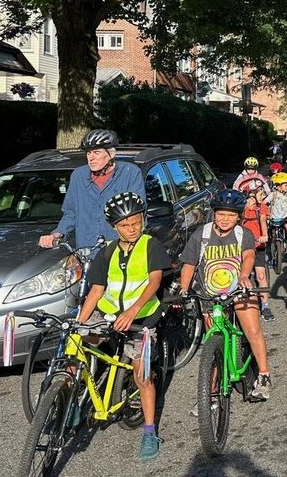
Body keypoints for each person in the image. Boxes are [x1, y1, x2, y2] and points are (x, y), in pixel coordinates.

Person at [75, 192, 171, 461]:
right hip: (108, 313)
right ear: (114, 227)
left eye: (136, 222)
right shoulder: (107, 252)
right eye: (125, 225)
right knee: (75, 346)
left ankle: (150, 431)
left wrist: (133, 311)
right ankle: (71, 397)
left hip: (140, 317)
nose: (132, 229)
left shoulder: (151, 245)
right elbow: (96, 291)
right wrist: (80, 323)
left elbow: (154, 282)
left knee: (142, 375)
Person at [179, 189, 272, 407]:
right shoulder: (200, 235)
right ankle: (209, 394)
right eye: (221, 214)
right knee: (213, 342)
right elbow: (189, 264)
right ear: (214, 213)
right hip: (209, 293)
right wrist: (184, 290)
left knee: (252, 329)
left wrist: (243, 275)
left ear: (238, 216)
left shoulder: (243, 234)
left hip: (238, 289)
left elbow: (248, 255)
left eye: (230, 215)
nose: (225, 219)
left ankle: (264, 374)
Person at [39, 129, 145, 249]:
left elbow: (137, 212)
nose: (91, 158)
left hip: (121, 249)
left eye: (96, 152)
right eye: (88, 153)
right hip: (87, 251)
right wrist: (56, 234)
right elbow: (71, 213)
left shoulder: (130, 172)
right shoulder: (78, 176)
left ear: (111, 154)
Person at [238, 182, 273, 321]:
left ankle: (265, 305)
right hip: (244, 247)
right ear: (251, 194)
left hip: (258, 246)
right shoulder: (241, 209)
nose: (263, 196)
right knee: (242, 274)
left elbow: (263, 221)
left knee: (261, 275)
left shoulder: (261, 207)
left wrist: (264, 236)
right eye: (260, 193)